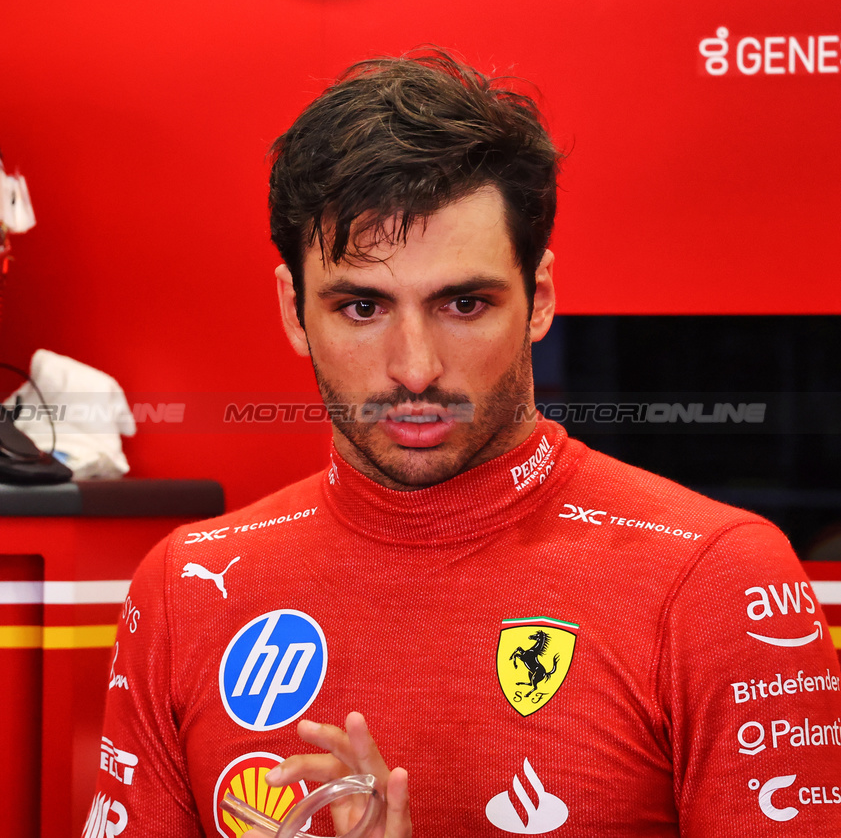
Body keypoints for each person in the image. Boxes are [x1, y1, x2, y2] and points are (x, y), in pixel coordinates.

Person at [85, 50, 841, 838]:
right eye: (360, 308)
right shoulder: (185, 590)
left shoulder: (718, 581)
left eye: (463, 302)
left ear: (538, 298)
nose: (415, 369)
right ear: (292, 309)